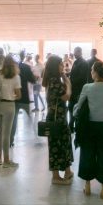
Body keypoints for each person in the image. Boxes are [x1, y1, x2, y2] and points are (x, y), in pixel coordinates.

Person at [73, 61, 103, 199]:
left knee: (88, 153)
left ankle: (87, 186)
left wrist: (75, 112)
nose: (91, 72)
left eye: (92, 70)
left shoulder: (87, 87)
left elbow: (79, 106)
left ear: (96, 73)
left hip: (89, 126)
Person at [43, 55, 73, 185]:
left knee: (63, 144)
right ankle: (56, 176)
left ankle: (67, 171)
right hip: (57, 119)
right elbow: (66, 96)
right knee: (58, 145)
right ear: (56, 66)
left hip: (57, 116)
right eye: (60, 64)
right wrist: (68, 83)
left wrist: (64, 78)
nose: (63, 66)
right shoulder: (55, 81)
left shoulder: (52, 80)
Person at [0, 55, 21, 168]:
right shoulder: (16, 76)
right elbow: (18, 95)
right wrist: (11, 95)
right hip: (9, 106)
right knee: (6, 134)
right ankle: (6, 161)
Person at [11, 50, 36, 147]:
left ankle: (10, 140)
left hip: (14, 97)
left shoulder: (12, 69)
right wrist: (35, 78)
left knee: (13, 121)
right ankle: (36, 137)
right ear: (24, 56)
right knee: (30, 117)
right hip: (24, 97)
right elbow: (32, 80)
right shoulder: (26, 67)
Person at [68, 47, 89, 114]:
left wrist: (70, 82)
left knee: (77, 109)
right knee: (71, 108)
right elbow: (73, 73)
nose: (74, 54)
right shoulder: (76, 62)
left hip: (79, 90)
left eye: (75, 52)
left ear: (80, 52)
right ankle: (71, 123)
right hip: (73, 90)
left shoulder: (84, 63)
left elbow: (82, 77)